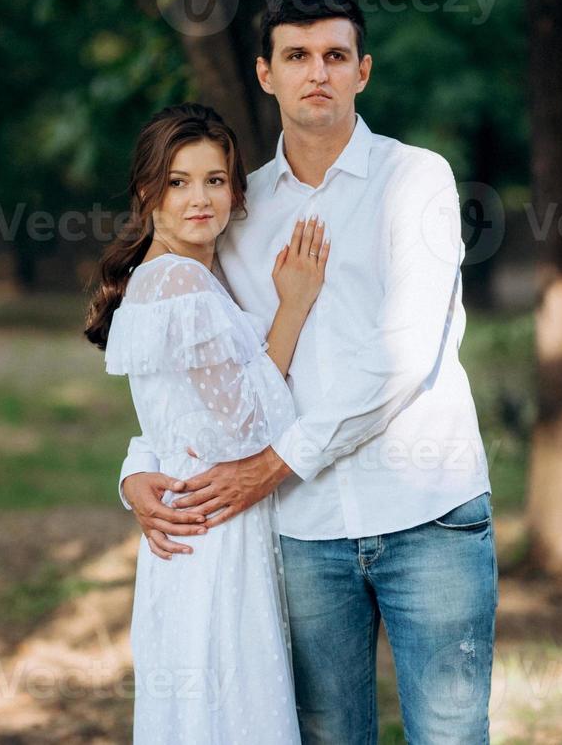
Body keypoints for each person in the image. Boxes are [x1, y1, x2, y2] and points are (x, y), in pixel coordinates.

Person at [119, 0, 497, 743]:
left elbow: (402, 357)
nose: (316, 72)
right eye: (297, 56)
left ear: (363, 71)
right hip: (303, 533)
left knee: (450, 736)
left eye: (335, 55)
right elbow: (204, 372)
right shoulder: (239, 212)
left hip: (427, 513)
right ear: (267, 73)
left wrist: (273, 463)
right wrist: (135, 471)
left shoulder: (416, 180)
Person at [84, 103, 330, 744]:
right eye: (179, 181)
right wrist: (293, 307)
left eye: (215, 180)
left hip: (197, 520)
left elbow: (172, 419)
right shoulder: (177, 285)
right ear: (148, 193)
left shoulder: (183, 278)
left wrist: (135, 472)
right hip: (216, 525)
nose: (200, 198)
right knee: (230, 710)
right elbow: (249, 427)